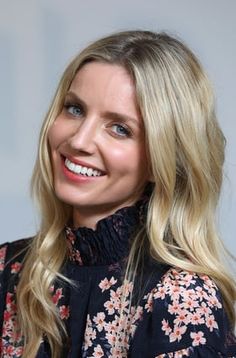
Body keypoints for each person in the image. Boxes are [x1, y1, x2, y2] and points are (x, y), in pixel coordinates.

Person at [0, 30, 235, 358]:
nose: (79, 140)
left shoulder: (181, 298)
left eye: (120, 128)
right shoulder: (7, 268)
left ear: (160, 160)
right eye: (75, 109)